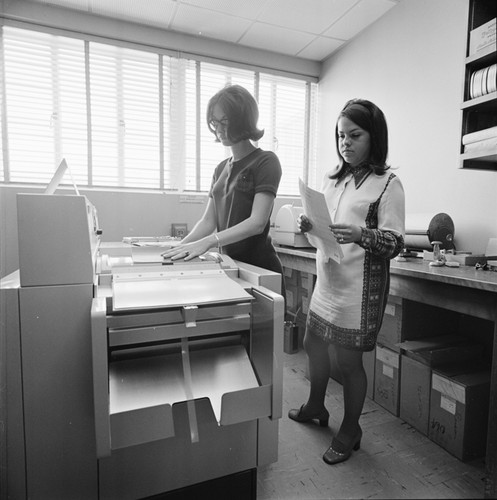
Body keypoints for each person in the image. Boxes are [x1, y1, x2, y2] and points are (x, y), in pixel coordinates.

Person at [288, 98, 405, 465]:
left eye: (354, 135)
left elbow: (395, 242)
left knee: (348, 362)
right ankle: (316, 405)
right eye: (341, 135)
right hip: (328, 281)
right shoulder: (332, 180)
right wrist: (309, 227)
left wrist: (361, 234)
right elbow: (324, 232)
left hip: (359, 288)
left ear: (374, 137)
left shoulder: (387, 184)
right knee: (313, 343)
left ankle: (351, 428)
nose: (346, 143)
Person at [162, 84, 285, 291]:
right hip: (230, 265)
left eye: (224, 121)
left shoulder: (266, 161)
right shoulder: (220, 169)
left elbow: (257, 222)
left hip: (260, 267)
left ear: (243, 119)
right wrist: (179, 248)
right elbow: (208, 221)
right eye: (214, 122)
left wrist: (208, 242)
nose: (218, 129)